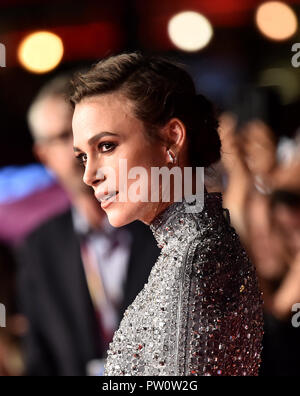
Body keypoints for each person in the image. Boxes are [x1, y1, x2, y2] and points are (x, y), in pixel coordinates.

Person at [70, 52, 264, 376]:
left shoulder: (198, 257)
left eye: (106, 146)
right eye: (82, 157)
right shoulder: (192, 248)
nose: (89, 175)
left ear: (171, 138)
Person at [15, 73, 160, 376]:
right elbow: (39, 360)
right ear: (43, 155)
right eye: (64, 136)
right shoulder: (38, 248)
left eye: (87, 136)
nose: (77, 151)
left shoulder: (161, 224)